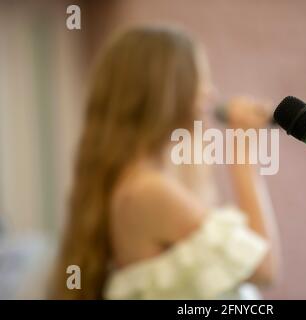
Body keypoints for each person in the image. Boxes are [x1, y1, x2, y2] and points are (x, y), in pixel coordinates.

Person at [49, 26, 280, 299]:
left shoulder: (135, 184)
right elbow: (264, 268)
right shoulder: (147, 191)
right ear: (167, 90)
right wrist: (243, 155)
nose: (211, 94)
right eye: (199, 79)